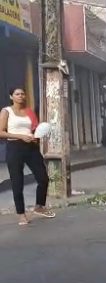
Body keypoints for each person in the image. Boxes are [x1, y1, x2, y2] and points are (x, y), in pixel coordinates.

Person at [0, 88, 55, 225]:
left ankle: (39, 206)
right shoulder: (6, 111)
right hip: (14, 147)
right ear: (11, 96)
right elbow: (1, 132)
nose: (21, 96)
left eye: (23, 94)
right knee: (17, 182)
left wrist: (35, 137)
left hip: (31, 147)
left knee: (43, 178)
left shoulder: (29, 111)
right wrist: (20, 136)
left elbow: (35, 129)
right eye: (17, 94)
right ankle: (21, 214)